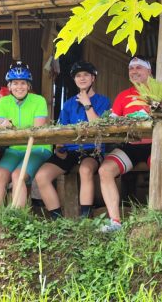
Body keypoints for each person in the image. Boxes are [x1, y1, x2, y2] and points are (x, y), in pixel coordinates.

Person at [98, 55, 162, 232]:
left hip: (155, 145)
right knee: (105, 170)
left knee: (161, 167)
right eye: (131, 69)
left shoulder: (161, 92)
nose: (134, 71)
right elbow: (112, 123)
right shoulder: (123, 96)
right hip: (131, 146)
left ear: (149, 71)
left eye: (138, 68)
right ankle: (115, 222)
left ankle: (161, 217)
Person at [35, 61, 110, 219]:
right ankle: (58, 221)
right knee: (41, 176)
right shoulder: (68, 105)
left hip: (93, 150)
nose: (82, 78)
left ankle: (85, 220)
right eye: (78, 76)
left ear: (93, 78)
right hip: (69, 151)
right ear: (74, 80)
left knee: (85, 169)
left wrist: (87, 105)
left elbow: (98, 127)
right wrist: (59, 147)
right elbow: (62, 130)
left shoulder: (103, 101)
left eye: (85, 75)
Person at [0, 61, 52, 208]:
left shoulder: (39, 100)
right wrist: (4, 126)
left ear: (29, 85)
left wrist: (13, 128)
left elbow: (38, 128)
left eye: (23, 83)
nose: (19, 87)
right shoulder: (4, 102)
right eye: (15, 83)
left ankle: (17, 219)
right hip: (15, 149)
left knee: (18, 175)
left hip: (37, 148)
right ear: (9, 86)